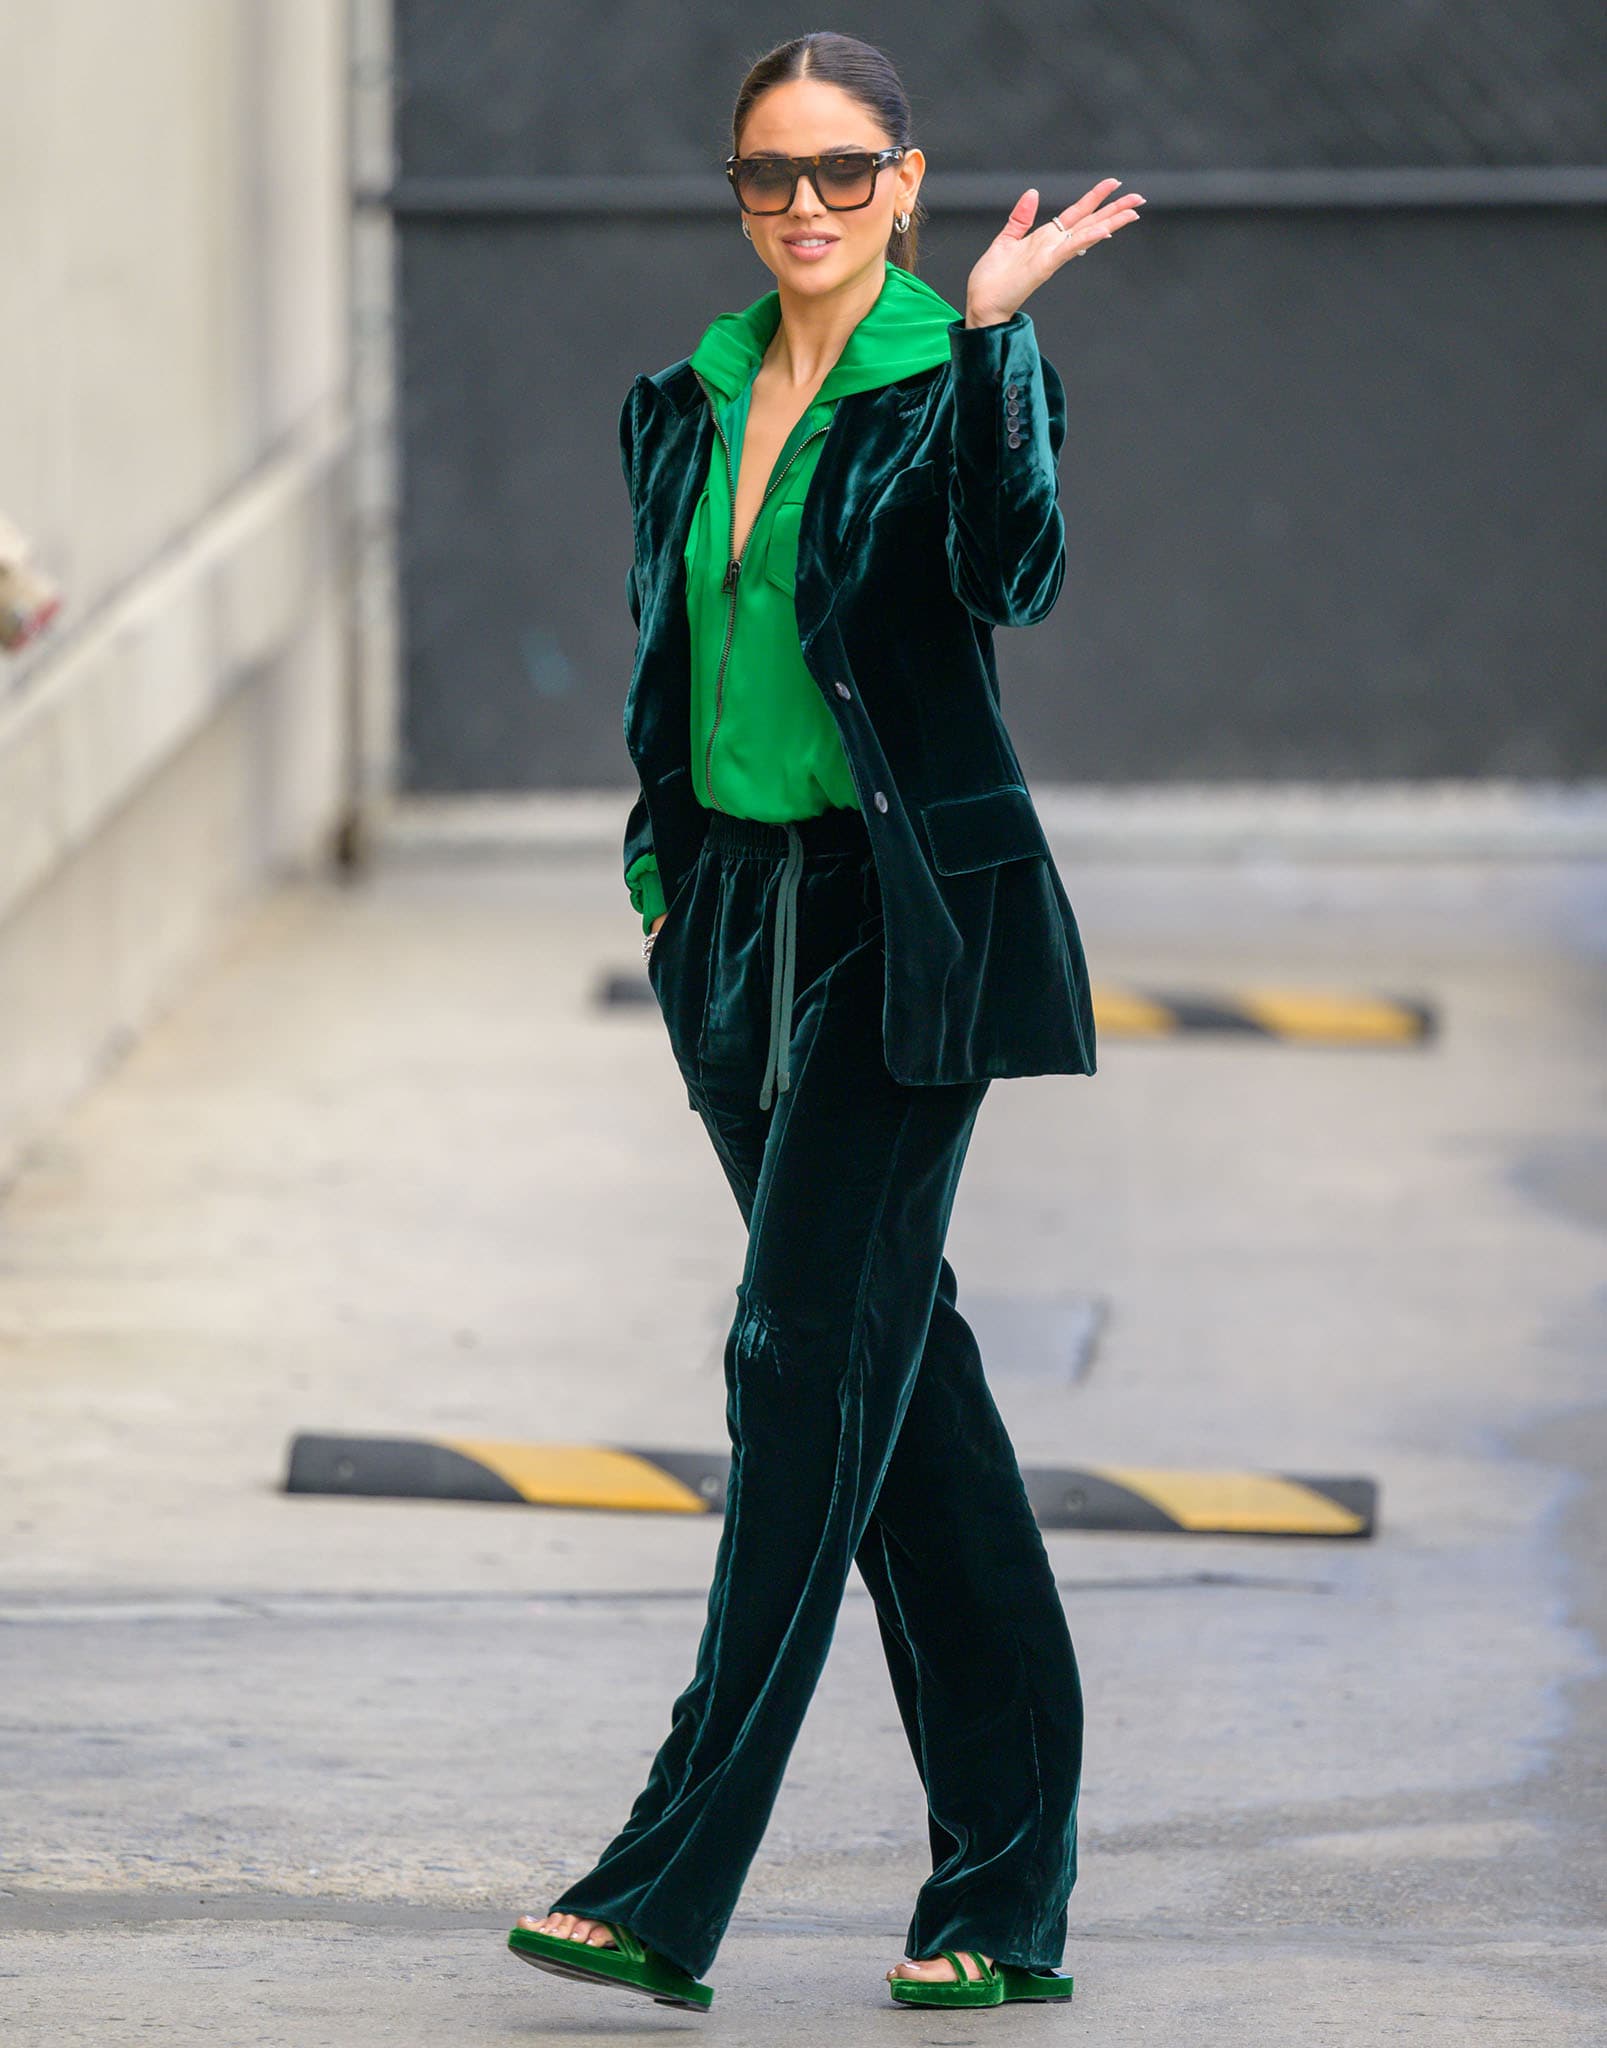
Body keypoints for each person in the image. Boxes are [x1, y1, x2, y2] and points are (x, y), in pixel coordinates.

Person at [508, 29, 1143, 2015]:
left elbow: (1014, 574)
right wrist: (660, 878)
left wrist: (999, 337)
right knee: (902, 1385)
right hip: (727, 928)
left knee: (796, 1361)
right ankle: (1010, 1882)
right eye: (772, 174)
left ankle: (664, 1874)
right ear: (739, 190)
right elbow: (671, 663)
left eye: (844, 172)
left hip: (904, 932)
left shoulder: (942, 383)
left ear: (906, 181)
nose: (807, 206)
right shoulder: (681, 402)